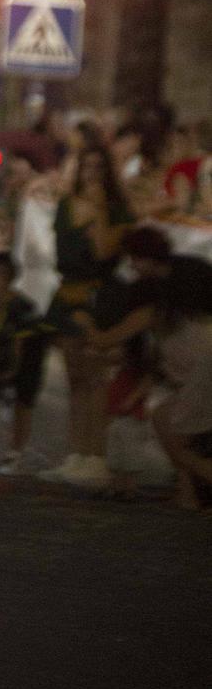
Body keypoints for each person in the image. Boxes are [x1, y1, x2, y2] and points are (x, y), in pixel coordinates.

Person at [88, 226, 212, 510]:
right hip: (195, 372)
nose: (131, 266)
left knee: (179, 442)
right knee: (165, 420)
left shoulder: (159, 306)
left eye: (134, 259)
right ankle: (187, 493)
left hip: (201, 373)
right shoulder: (175, 298)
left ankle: (191, 488)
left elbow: (105, 341)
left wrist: (82, 320)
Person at [40, 138, 131, 490]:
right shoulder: (66, 205)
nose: (91, 174)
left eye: (98, 168)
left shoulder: (117, 210)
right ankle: (76, 455)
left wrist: (100, 211)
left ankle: (96, 457)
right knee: (75, 377)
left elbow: (106, 250)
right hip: (68, 292)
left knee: (96, 378)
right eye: (86, 168)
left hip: (98, 295)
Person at [0, 249, 50, 473]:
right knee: (13, 406)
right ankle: (12, 450)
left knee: (22, 405)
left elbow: (20, 344)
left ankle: (15, 454)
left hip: (25, 364)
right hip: (4, 364)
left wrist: (12, 371)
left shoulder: (21, 306)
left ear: (1, 276)